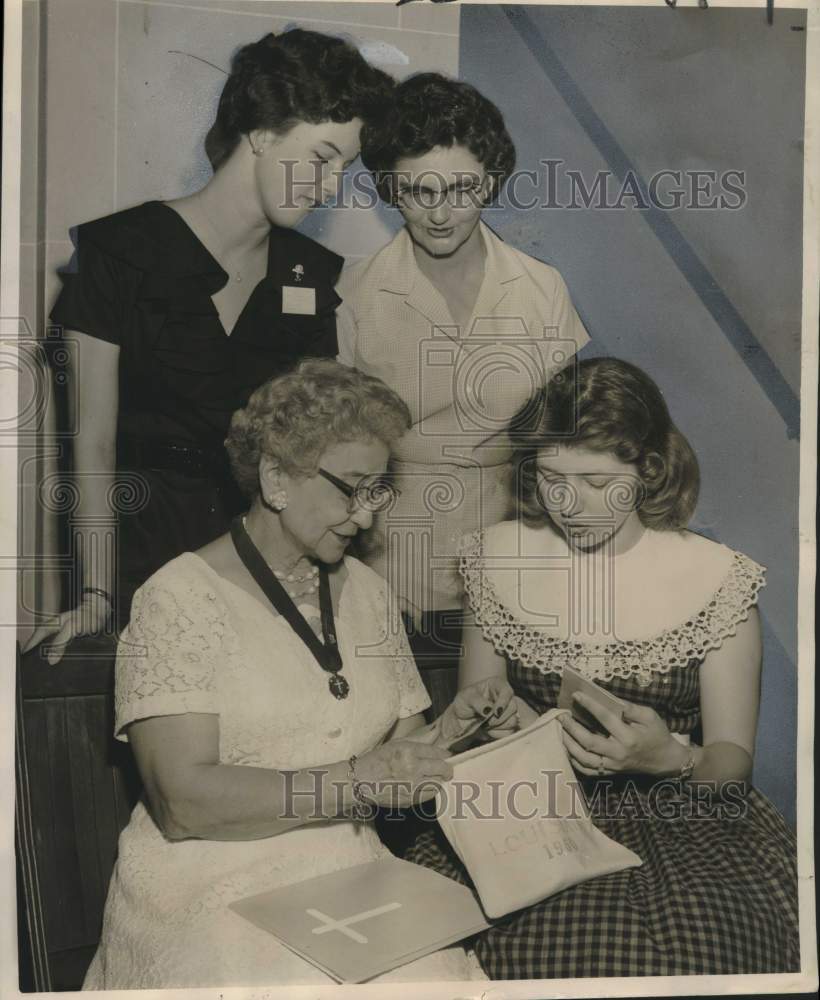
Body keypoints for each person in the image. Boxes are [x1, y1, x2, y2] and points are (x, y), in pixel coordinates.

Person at [83, 360, 515, 989]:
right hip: (207, 880)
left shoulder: (367, 592)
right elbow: (183, 803)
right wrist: (354, 785)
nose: (366, 517)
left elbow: (397, 762)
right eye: (352, 489)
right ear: (277, 478)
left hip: (349, 869)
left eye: (378, 492)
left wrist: (452, 731)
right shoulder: (176, 598)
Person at [408, 357, 800, 977]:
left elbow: (731, 764)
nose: (568, 503)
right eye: (550, 479)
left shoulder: (718, 579)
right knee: (436, 948)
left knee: (675, 955)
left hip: (678, 816)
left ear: (647, 470)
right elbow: (475, 717)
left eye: (594, 481)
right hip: (527, 810)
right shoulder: (496, 557)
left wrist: (669, 759)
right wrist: (501, 719)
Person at [30, 29, 394, 660]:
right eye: (322, 158)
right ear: (262, 132)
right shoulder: (121, 252)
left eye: (345, 167)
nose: (332, 186)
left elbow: (315, 448)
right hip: (139, 547)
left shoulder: (309, 274)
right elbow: (91, 441)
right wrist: (94, 592)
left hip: (259, 554)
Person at [336, 73, 589, 708]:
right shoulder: (355, 289)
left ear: (492, 181)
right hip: (383, 565)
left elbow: (564, 447)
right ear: (390, 187)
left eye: (462, 188)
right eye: (419, 191)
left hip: (513, 564)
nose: (441, 212)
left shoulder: (541, 288)